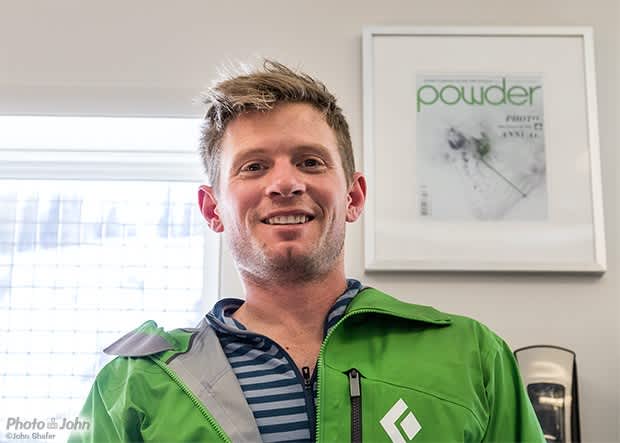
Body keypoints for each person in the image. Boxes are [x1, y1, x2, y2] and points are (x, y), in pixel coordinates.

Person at [70, 60, 545, 443]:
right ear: (212, 208)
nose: (285, 183)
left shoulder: (472, 356)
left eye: (309, 161)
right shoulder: (132, 385)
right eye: (253, 166)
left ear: (354, 197)